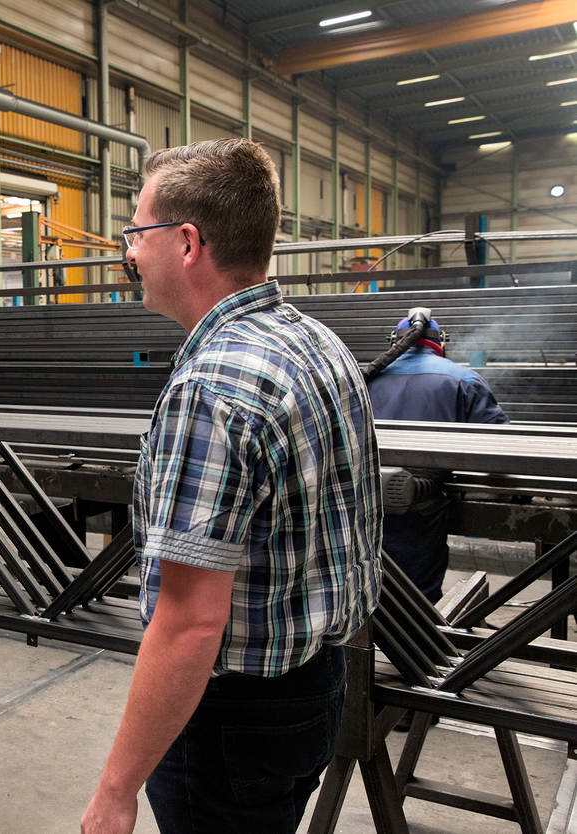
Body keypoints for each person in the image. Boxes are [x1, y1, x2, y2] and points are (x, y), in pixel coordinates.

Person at [81, 139, 382, 834]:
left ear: (186, 243)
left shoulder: (213, 389)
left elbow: (190, 624)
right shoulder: (317, 343)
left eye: (136, 232)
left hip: (233, 723)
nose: (129, 252)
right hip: (315, 685)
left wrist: (116, 790)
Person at [367, 312, 509, 602]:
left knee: (367, 586)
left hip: (365, 500)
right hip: (422, 506)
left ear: (394, 342)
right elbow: (500, 445)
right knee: (416, 598)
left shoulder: (366, 378)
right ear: (440, 343)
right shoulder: (464, 379)